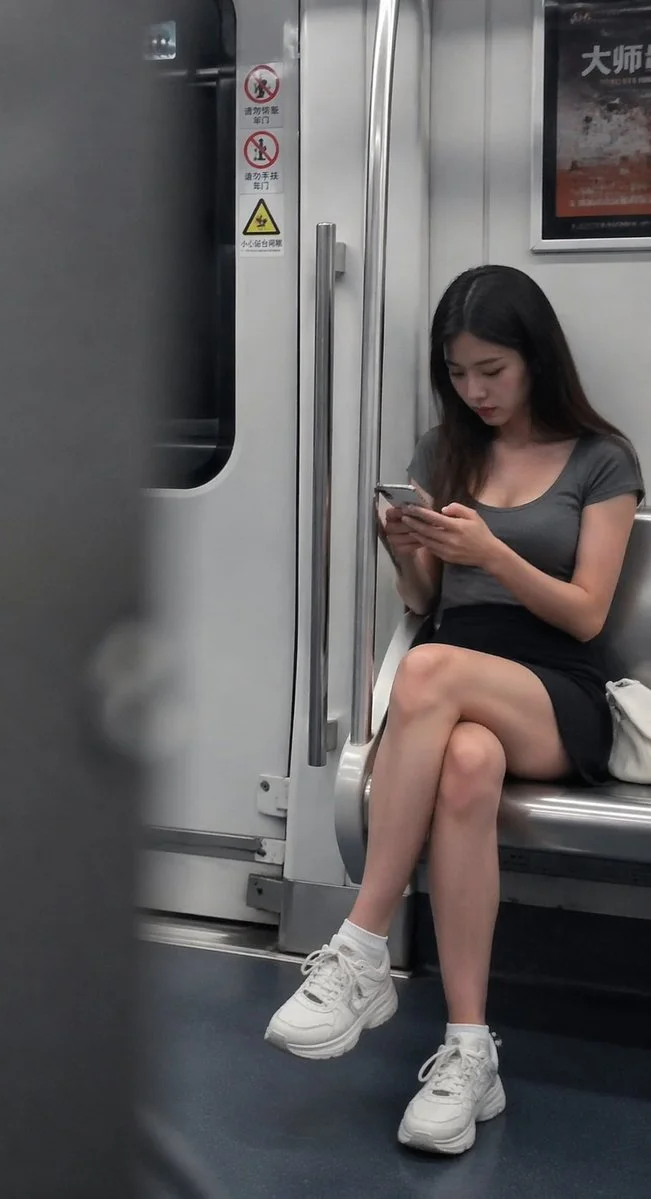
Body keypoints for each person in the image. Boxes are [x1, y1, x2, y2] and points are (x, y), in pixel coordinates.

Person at [264, 265, 645, 1155]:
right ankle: (469, 1050)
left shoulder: (601, 458)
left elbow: (587, 612)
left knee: (431, 671)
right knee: (465, 763)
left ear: (535, 360)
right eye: (458, 372)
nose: (473, 391)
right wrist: (406, 549)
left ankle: (360, 942)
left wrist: (494, 552)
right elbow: (425, 596)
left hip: (555, 690)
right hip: (456, 683)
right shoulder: (443, 453)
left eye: (492, 370)